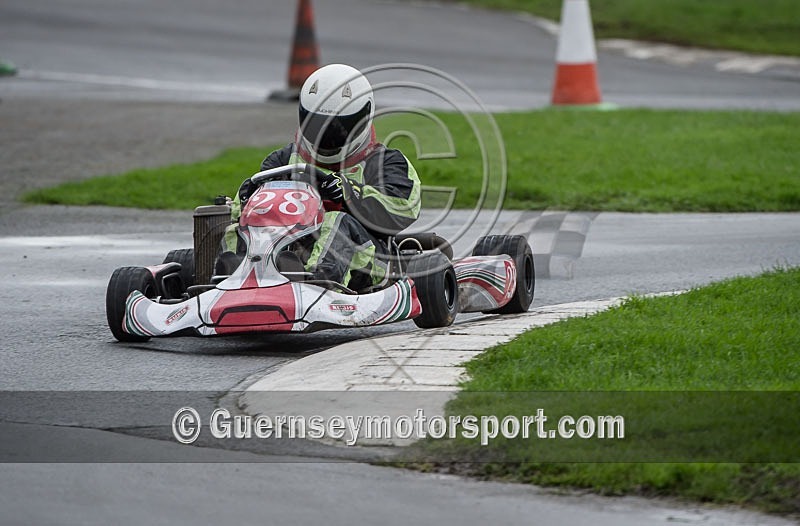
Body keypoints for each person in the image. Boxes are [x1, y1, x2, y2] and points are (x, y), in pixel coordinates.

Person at [223, 63, 421, 290]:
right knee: (237, 229)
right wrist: (246, 196)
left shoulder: (386, 162)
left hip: (366, 262)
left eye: (340, 127)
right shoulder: (282, 160)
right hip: (284, 250)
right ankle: (230, 280)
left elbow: (404, 207)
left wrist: (349, 192)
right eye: (317, 125)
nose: (328, 135)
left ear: (364, 117)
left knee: (336, 220)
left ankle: (319, 282)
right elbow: (248, 208)